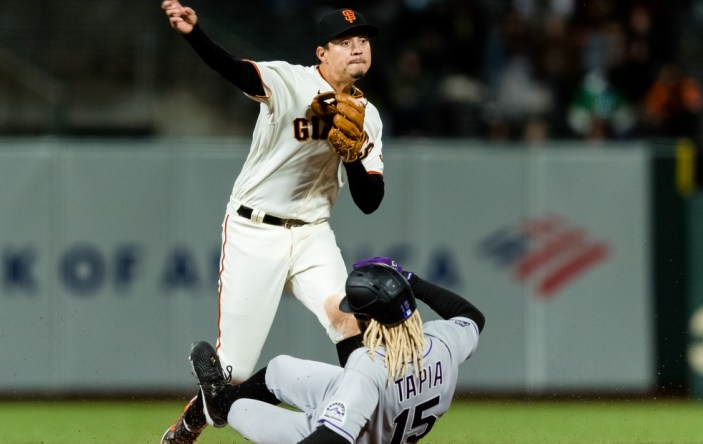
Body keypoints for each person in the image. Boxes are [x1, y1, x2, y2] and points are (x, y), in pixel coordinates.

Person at [159, 3, 386, 443]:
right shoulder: (291, 81)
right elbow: (236, 72)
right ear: (322, 53)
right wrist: (194, 34)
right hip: (254, 229)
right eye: (345, 42)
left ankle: (357, 423)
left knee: (349, 321)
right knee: (235, 370)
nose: (357, 48)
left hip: (312, 234)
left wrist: (355, 155)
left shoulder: (368, 117)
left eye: (363, 40)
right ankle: (190, 424)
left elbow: (370, 200)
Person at [188, 258, 485, 443]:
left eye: (356, 313)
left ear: (369, 322)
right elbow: (472, 316)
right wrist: (411, 282)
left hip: (351, 434)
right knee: (280, 369)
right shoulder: (442, 341)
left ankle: (220, 403)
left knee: (239, 409)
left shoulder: (368, 366)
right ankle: (218, 403)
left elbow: (332, 437)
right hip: (383, 414)